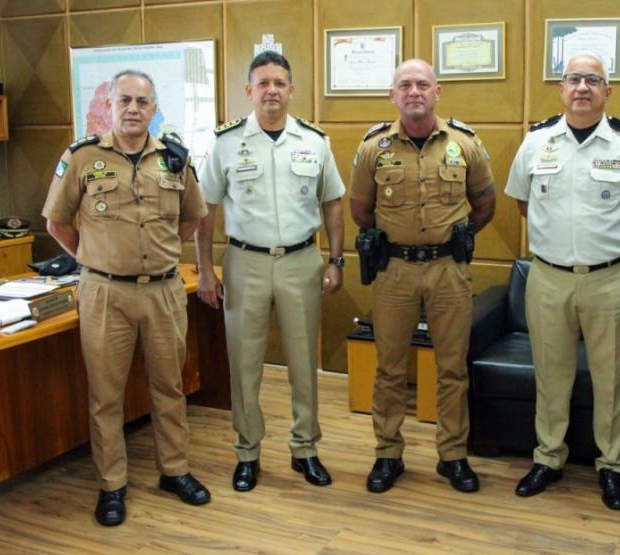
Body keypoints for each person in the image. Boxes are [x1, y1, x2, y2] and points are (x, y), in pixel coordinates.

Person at [43, 69, 210, 526]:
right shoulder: (81, 158)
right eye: (125, 101)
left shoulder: (174, 160)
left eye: (142, 101)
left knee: (169, 388)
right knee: (106, 395)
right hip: (104, 294)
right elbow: (56, 223)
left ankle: (174, 471)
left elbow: (191, 219)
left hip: (163, 292)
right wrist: (95, 258)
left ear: (155, 109)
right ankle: (111, 484)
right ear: (109, 107)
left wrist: (154, 256)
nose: (133, 109)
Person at [504, 52, 620, 510]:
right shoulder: (536, 142)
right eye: (574, 78)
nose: (582, 87)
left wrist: (607, 242)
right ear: (561, 87)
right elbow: (523, 202)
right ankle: (548, 459)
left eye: (592, 80)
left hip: (610, 279)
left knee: (612, 378)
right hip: (548, 277)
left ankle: (611, 466)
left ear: (607, 91)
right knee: (550, 376)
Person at [195, 51, 345, 492]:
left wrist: (336, 260)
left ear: (292, 89)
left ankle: (305, 448)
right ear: (249, 91)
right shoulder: (225, 142)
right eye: (263, 83)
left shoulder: (315, 141)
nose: (272, 91)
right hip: (246, 262)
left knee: (303, 362)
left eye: (280, 82)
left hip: (302, 261)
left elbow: (332, 201)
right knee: (244, 363)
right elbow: (206, 210)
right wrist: (205, 270)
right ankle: (247, 452)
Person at [350, 59, 496, 494]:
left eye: (422, 84)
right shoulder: (373, 148)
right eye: (405, 85)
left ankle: (452, 456)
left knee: (452, 368)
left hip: (448, 269)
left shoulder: (465, 144)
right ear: (392, 95)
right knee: (389, 369)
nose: (414, 91)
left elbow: (485, 202)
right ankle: (388, 454)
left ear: (438, 92)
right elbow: (361, 210)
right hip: (394, 271)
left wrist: (456, 238)